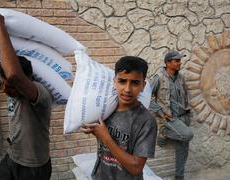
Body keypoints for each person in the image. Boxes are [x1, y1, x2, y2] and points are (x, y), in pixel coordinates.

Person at [0, 13, 52, 180]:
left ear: (27, 80)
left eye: (9, 86)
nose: (4, 90)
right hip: (12, 157)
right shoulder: (12, 88)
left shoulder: (39, 92)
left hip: (33, 168)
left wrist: (0, 26)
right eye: (3, 84)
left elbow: (14, 75)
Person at [81, 56, 157, 180]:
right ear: (114, 81)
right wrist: (93, 131)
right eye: (122, 81)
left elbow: (136, 167)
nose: (127, 89)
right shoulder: (105, 109)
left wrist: (105, 137)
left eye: (135, 83)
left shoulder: (146, 121)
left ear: (143, 85)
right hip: (100, 175)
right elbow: (103, 140)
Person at [149, 51, 194, 180]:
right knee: (187, 135)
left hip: (183, 117)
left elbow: (185, 94)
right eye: (177, 61)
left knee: (183, 148)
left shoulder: (181, 78)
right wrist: (160, 112)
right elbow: (146, 96)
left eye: (180, 60)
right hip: (170, 118)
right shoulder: (158, 77)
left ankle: (179, 177)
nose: (180, 63)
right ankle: (164, 131)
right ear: (168, 62)